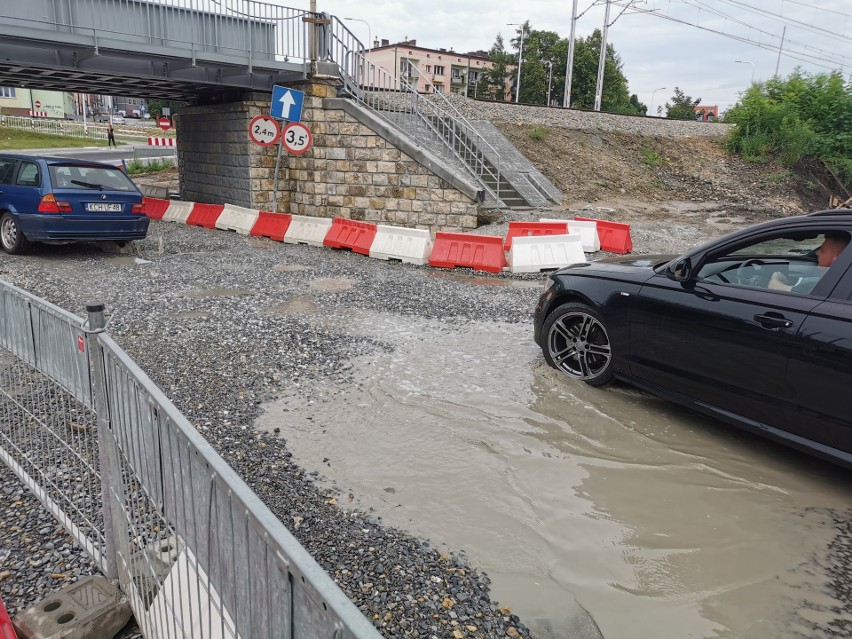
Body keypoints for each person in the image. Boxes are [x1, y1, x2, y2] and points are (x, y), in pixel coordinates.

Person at [769, 231, 850, 291]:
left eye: (822, 251)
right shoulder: (842, 278)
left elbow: (775, 287)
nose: (817, 253)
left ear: (837, 258)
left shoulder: (832, 284)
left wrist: (775, 278)